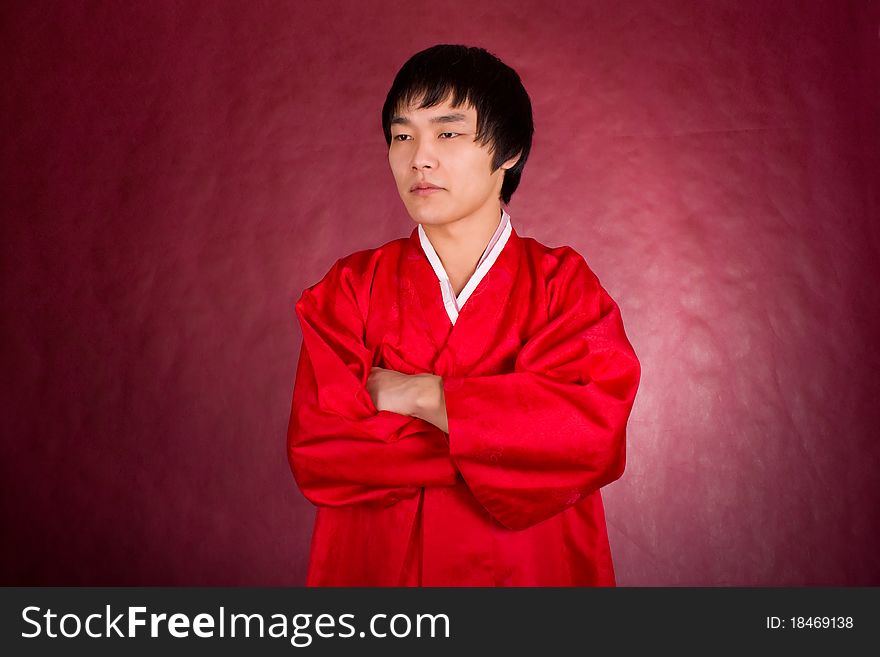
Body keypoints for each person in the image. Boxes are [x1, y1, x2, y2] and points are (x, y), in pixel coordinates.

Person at [286, 44, 641, 586]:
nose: (418, 158)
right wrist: (511, 442)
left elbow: (589, 436)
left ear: (509, 152)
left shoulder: (563, 288)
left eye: (447, 133)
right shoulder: (350, 289)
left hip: (530, 573)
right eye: (403, 136)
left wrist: (418, 395)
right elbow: (322, 449)